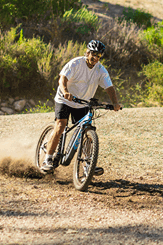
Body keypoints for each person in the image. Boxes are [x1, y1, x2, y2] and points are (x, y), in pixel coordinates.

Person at [42, 39, 122, 172]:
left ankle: (88, 165)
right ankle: (47, 159)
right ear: (87, 52)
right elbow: (62, 79)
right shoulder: (76, 63)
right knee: (61, 125)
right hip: (65, 99)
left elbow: (110, 87)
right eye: (93, 54)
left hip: (83, 102)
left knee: (87, 132)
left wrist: (115, 103)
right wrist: (66, 92)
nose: (95, 58)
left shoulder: (101, 70)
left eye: (99, 55)